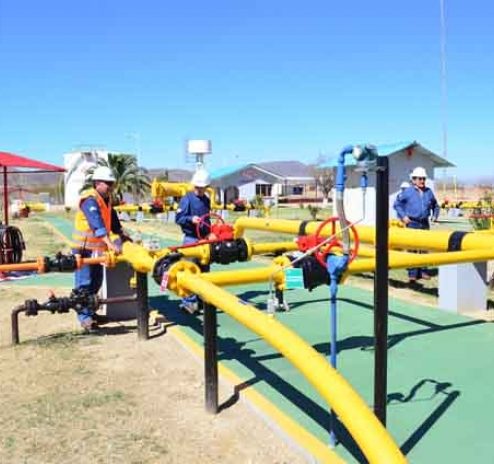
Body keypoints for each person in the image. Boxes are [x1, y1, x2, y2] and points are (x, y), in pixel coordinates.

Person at [71, 166, 130, 331]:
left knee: (96, 281)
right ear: (97, 183)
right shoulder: (89, 200)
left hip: (96, 249)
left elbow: (112, 219)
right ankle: (85, 318)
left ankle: (90, 312)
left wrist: (122, 234)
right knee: (84, 283)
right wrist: (110, 244)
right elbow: (96, 223)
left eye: (112, 183)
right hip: (83, 249)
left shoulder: (106, 199)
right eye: (108, 183)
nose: (111, 187)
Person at [175, 169, 216, 313]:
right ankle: (189, 302)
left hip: (204, 240)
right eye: (198, 187)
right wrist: (190, 219)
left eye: (202, 187)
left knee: (204, 270)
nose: (200, 190)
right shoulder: (187, 199)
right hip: (191, 239)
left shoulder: (206, 200)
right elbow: (178, 219)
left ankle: (201, 299)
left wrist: (210, 233)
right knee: (189, 270)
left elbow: (207, 220)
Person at [393, 166, 440, 283]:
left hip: (424, 223)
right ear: (413, 180)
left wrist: (435, 216)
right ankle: (413, 274)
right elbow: (397, 204)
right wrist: (403, 216)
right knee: (412, 249)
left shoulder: (429, 192)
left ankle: (423, 271)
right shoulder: (407, 192)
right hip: (412, 223)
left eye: (424, 179)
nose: (422, 181)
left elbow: (436, 205)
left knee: (424, 248)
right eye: (420, 178)